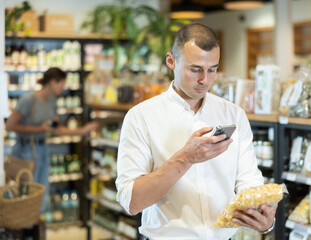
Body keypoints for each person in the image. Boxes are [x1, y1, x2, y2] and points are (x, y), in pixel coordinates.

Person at [115, 23, 277, 239]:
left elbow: (248, 181)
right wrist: (186, 158)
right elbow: (132, 202)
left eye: (212, 70)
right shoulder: (141, 117)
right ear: (170, 61)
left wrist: (263, 214)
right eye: (195, 69)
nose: (205, 80)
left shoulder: (234, 115)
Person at [6, 67, 98, 212]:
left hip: (42, 150)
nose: (64, 87)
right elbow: (10, 126)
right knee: (25, 191)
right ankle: (24, 227)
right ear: (53, 82)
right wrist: (39, 129)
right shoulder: (29, 100)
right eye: (62, 83)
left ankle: (35, 225)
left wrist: (82, 130)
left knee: (41, 191)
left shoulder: (52, 102)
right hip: (25, 151)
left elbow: (57, 130)